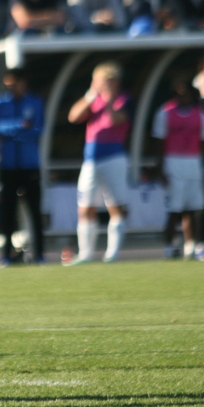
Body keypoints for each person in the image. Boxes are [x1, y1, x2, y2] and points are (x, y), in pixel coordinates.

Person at [67, 62, 131, 265]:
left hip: (114, 157)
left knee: (115, 206)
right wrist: (90, 96)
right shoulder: (92, 100)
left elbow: (115, 120)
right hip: (91, 159)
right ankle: (85, 253)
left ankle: (112, 253)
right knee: (85, 207)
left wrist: (109, 101)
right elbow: (73, 117)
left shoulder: (125, 100)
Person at [0, 68, 45, 266]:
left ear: (23, 82)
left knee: (34, 212)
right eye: (8, 85)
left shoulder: (35, 102)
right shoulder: (0, 103)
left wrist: (13, 131)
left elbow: (38, 130)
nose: (10, 88)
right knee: (8, 213)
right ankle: (7, 255)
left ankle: (39, 255)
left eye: (13, 84)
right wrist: (20, 127)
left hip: (30, 165)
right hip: (8, 166)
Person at [152, 79, 204, 260]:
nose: (183, 97)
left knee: (196, 208)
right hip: (173, 164)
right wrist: (160, 169)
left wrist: (203, 166)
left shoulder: (200, 115)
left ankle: (194, 246)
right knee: (174, 210)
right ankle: (169, 247)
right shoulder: (164, 112)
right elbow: (159, 143)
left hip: (193, 164)